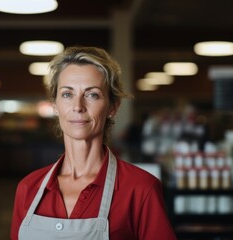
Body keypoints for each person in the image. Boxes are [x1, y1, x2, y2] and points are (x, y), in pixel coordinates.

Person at [10, 46, 177, 240]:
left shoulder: (140, 188)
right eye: (67, 94)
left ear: (112, 107)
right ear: (55, 105)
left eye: (92, 94)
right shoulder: (28, 188)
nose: (78, 106)